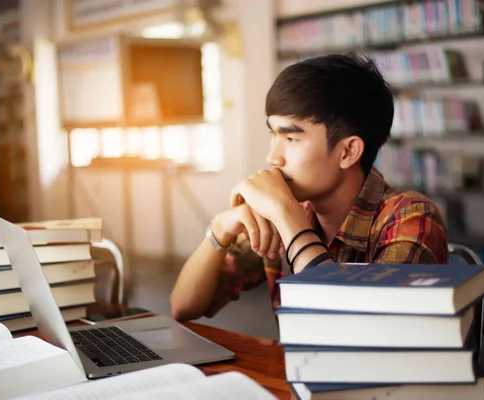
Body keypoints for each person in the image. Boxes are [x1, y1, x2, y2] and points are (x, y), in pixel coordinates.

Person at [170, 53, 449, 321]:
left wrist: (285, 214)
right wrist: (219, 229)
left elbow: (360, 329)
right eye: (273, 134)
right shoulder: (286, 214)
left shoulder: (410, 216)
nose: (273, 158)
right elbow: (184, 307)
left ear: (348, 151)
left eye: (291, 138)